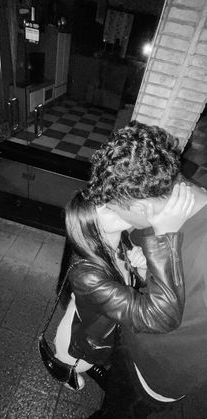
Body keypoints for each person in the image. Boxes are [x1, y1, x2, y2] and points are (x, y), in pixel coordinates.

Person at [84, 121, 207, 418]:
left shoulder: (198, 249)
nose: (110, 214)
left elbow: (164, 318)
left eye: (113, 207)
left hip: (156, 369)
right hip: (135, 341)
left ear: (140, 208)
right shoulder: (181, 196)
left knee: (120, 410)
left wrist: (163, 241)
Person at [53, 179, 194, 392]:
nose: (119, 205)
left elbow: (131, 288)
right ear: (91, 223)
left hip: (97, 324)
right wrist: (166, 236)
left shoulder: (121, 243)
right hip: (76, 342)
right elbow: (161, 318)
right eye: (108, 207)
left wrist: (144, 271)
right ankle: (65, 374)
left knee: (94, 357)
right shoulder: (88, 275)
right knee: (75, 363)